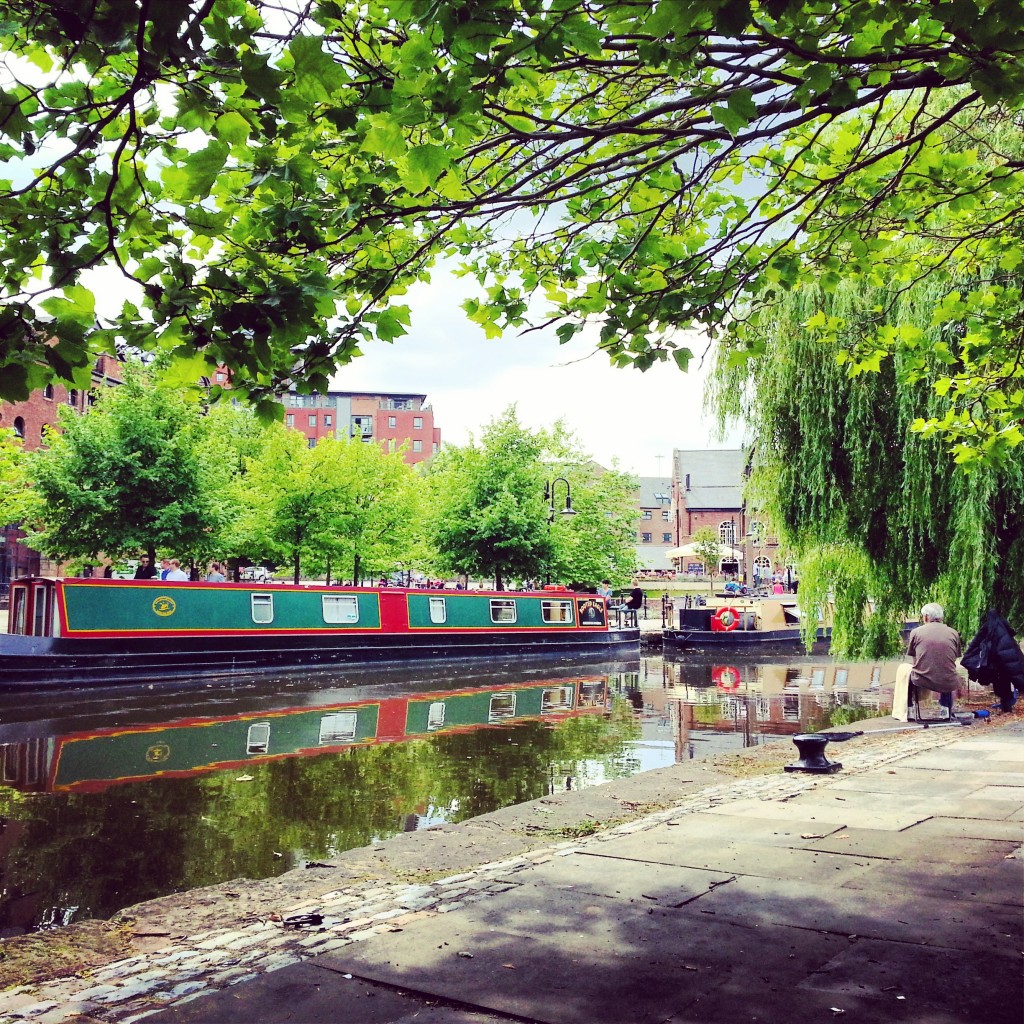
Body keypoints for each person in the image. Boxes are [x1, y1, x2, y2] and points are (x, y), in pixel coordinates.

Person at [905, 602, 962, 720]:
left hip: (922, 678)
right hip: (948, 679)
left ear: (926, 617)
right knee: (946, 669)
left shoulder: (916, 632)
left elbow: (914, 658)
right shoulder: (954, 633)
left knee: (906, 675)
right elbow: (954, 657)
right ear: (941, 618)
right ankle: (945, 709)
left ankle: (909, 710)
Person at [962, 608, 1024, 714]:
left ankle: (1006, 705)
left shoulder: (987, 626)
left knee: (999, 682)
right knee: (1007, 680)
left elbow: (977, 640)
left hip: (995, 661)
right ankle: (1006, 705)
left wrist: (968, 654)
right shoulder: (1004, 625)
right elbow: (1012, 635)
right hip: (1006, 658)